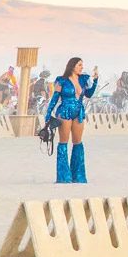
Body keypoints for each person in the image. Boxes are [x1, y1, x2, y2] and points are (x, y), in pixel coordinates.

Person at [46, 56, 96, 184]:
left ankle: (78, 175)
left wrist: (95, 81)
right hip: (64, 112)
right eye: (79, 65)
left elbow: (89, 94)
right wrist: (48, 114)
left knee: (78, 143)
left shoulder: (83, 79)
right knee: (63, 143)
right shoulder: (61, 80)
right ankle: (63, 176)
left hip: (78, 112)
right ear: (72, 66)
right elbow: (55, 98)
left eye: (82, 65)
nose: (82, 67)